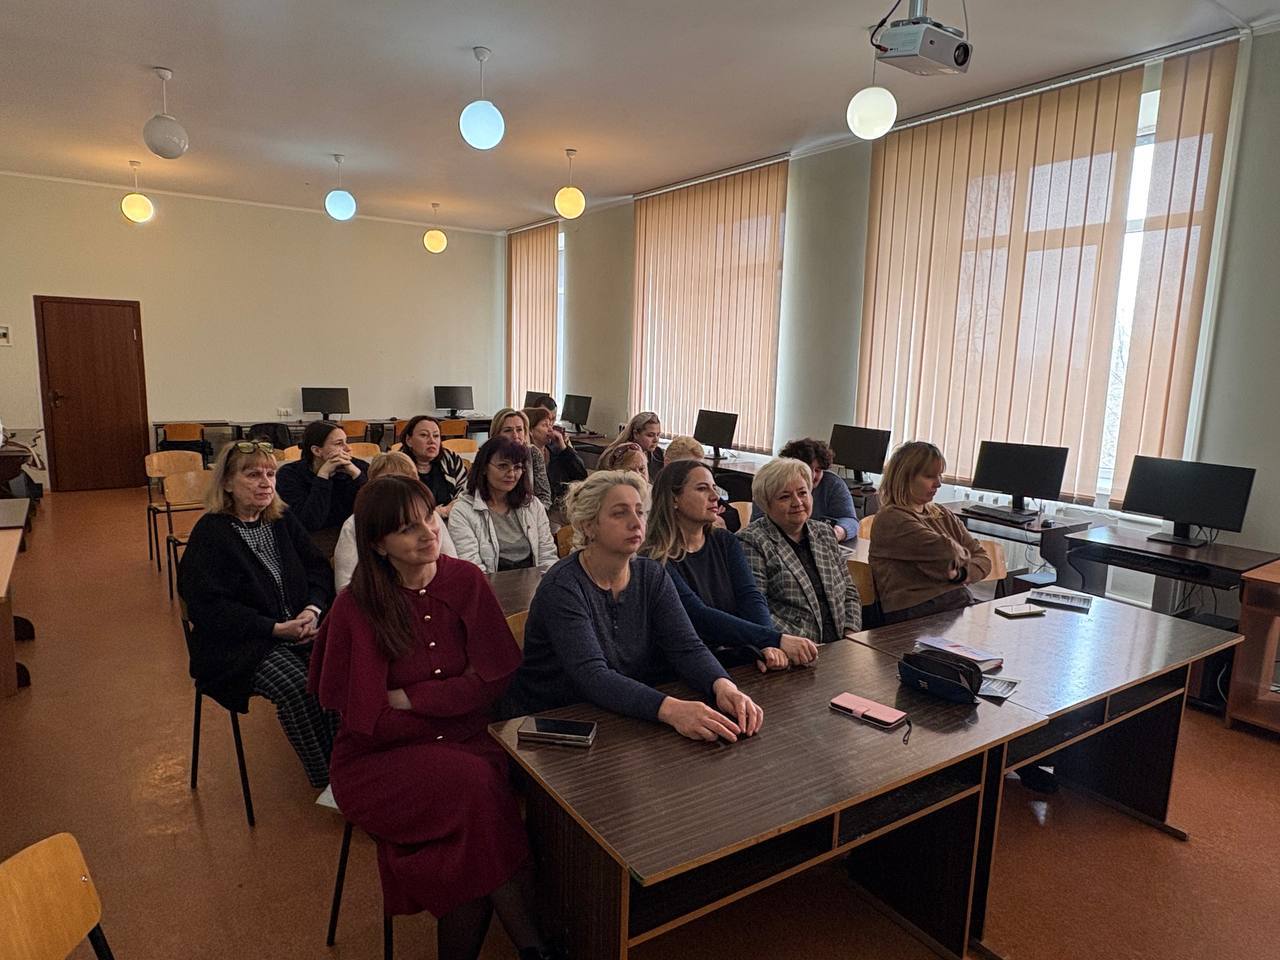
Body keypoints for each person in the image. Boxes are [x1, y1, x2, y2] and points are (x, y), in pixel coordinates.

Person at [309, 476, 559, 960]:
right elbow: (372, 722)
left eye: (429, 516)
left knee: (475, 808)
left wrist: (412, 698)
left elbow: (494, 681)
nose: (427, 532)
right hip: (379, 761)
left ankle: (528, 948)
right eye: (407, 528)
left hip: (469, 740)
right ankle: (534, 945)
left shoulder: (465, 581)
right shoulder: (357, 605)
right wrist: (452, 696)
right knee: (478, 788)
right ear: (378, 544)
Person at [502, 471, 764, 742]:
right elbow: (593, 675)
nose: (636, 523)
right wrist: (672, 710)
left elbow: (686, 646)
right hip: (555, 722)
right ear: (589, 525)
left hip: (619, 713)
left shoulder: (651, 575)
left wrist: (723, 685)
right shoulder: (564, 586)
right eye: (620, 513)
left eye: (640, 512)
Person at [178, 440, 336, 788]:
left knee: (341, 670)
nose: (266, 482)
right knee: (298, 687)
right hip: (242, 643)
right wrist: (275, 628)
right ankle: (327, 781)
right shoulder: (211, 532)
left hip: (299, 628)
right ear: (227, 484)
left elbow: (318, 569)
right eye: (253, 474)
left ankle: (348, 766)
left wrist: (312, 609)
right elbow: (209, 608)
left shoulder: (281, 519)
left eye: (271, 473)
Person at [642, 460, 818, 670]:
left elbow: (751, 597)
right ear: (673, 499)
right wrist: (773, 639)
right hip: (686, 668)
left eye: (714, 488)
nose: (715, 496)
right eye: (702, 488)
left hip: (737, 655)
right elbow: (698, 615)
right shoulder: (653, 558)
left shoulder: (725, 541)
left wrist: (767, 646)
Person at [738, 458, 861, 643]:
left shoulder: (825, 532)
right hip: (794, 650)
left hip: (842, 643)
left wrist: (851, 634)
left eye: (803, 493)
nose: (797, 502)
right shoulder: (751, 541)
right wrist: (802, 644)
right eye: (784, 497)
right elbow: (756, 610)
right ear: (766, 504)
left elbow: (849, 591)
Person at [868, 441, 992, 624]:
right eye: (929, 476)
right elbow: (946, 553)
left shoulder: (942, 514)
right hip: (914, 617)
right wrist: (957, 558)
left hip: (954, 606)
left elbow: (983, 559)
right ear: (905, 477)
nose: (938, 484)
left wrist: (960, 574)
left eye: (939, 475)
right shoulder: (891, 519)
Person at [335, 452, 456, 591]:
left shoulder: (431, 515)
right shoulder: (355, 523)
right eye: (387, 482)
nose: (396, 489)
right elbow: (344, 584)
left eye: (405, 480)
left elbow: (451, 564)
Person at [448, 436, 557, 574]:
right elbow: (472, 568)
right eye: (503, 466)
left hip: (533, 586)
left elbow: (547, 555)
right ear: (483, 468)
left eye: (517, 467)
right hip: (489, 589)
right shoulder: (463, 511)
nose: (511, 474)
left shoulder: (532, 505)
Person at [276, 420, 368, 555]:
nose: (348, 449)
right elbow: (309, 522)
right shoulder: (289, 475)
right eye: (339, 444)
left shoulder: (359, 468)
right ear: (317, 451)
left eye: (346, 442)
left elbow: (374, 510)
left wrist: (356, 475)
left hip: (353, 537)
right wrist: (323, 476)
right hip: (311, 543)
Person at [751, 437, 858, 543]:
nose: (812, 476)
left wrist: (835, 533)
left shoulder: (833, 484)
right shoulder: (771, 483)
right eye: (806, 468)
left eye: (818, 470)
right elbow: (758, 523)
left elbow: (850, 520)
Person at [663, 434, 740, 532]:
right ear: (667, 463)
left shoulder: (705, 487)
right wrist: (706, 522)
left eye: (699, 466)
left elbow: (733, 516)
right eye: (689, 467)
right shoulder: (658, 492)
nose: (696, 472)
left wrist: (717, 521)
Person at [399, 415, 468, 518]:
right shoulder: (398, 465)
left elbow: (465, 494)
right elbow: (399, 508)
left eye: (436, 436)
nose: (432, 441)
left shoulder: (450, 460)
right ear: (409, 440)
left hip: (453, 521)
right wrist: (437, 514)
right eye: (424, 435)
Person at [525, 405, 586, 505]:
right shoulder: (526, 458)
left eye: (550, 425)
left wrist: (564, 448)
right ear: (530, 430)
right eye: (544, 425)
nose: (550, 429)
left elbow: (581, 475)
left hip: (561, 508)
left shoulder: (555, 453)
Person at [491, 407, 552, 508]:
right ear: (496, 434)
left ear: (525, 432)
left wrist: (534, 516)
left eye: (519, 430)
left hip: (530, 513)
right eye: (508, 430)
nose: (515, 435)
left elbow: (544, 496)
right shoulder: (488, 455)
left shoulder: (533, 453)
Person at [604, 411, 664, 478]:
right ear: (636, 434)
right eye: (650, 435)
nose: (656, 440)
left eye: (658, 435)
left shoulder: (657, 453)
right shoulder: (624, 454)